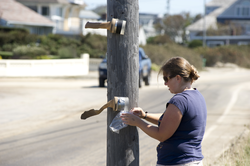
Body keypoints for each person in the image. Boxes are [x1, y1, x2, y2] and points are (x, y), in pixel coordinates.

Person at [121, 57, 207, 166]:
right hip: (194, 160)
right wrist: (144, 115)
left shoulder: (179, 100)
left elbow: (162, 135)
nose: (165, 84)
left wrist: (137, 122)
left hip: (177, 161)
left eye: (166, 79)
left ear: (178, 78)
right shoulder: (197, 96)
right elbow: (170, 121)